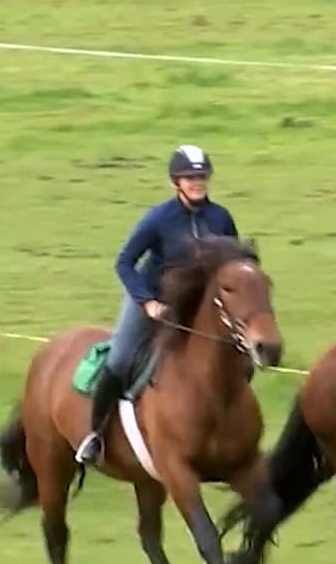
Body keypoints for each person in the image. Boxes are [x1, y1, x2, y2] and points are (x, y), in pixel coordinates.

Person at [74, 144, 239, 466]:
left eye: (201, 176)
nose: (197, 182)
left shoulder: (220, 218)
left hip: (200, 305)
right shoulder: (158, 219)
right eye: (189, 177)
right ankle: (94, 435)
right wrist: (146, 302)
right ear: (175, 182)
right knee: (120, 359)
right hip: (155, 300)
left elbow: (233, 263)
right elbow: (124, 263)